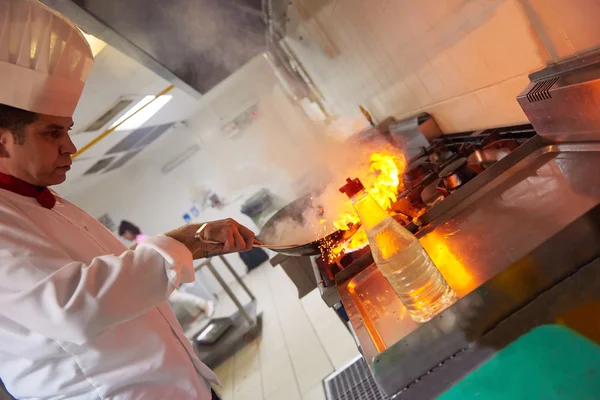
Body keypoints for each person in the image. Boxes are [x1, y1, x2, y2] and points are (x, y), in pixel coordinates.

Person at [0, 1, 257, 399]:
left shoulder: (51, 203)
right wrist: (188, 239)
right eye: (52, 133)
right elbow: (72, 306)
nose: (70, 148)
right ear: (2, 144)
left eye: (67, 131)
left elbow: (121, 278)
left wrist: (201, 243)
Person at [119, 220, 216, 318]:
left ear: (127, 232)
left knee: (173, 296)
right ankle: (198, 310)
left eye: (124, 235)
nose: (125, 238)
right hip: (161, 269)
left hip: (162, 270)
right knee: (173, 295)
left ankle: (204, 304)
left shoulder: (141, 240)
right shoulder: (141, 239)